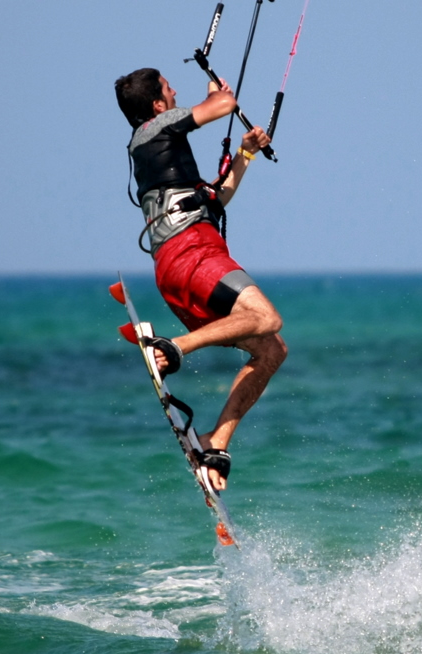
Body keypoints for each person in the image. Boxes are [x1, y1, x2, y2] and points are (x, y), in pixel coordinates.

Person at [115, 68, 287, 491]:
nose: (175, 92)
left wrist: (245, 154)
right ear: (157, 105)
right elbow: (224, 106)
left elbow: (219, 196)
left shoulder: (164, 156)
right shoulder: (154, 127)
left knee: (271, 350)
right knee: (268, 318)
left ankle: (216, 441)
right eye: (169, 88)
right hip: (191, 254)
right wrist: (219, 94)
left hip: (182, 266)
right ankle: (173, 347)